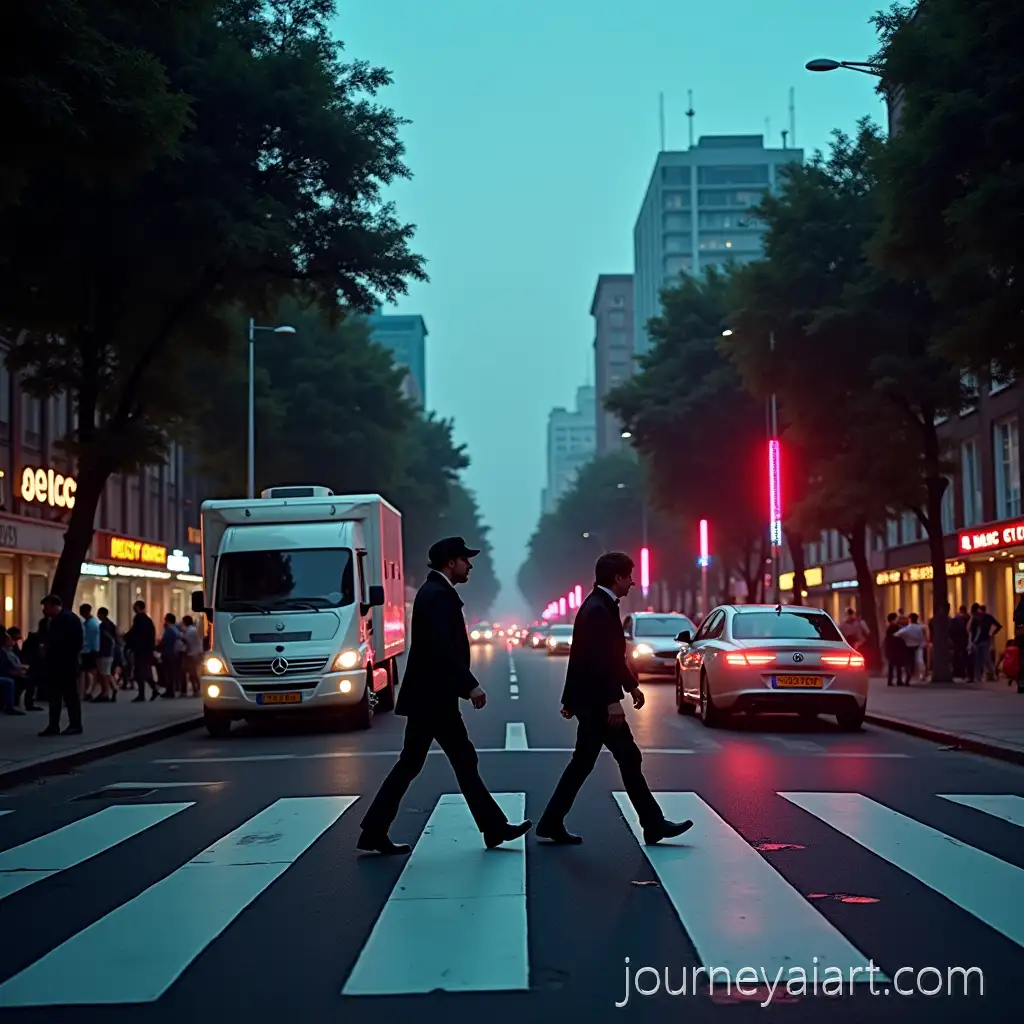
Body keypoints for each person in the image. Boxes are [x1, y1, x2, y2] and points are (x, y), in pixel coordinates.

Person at [356, 536, 532, 855]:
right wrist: (470, 685)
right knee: (451, 760)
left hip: (432, 697)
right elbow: (441, 649)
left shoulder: (435, 593)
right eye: (465, 559)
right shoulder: (436, 595)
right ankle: (492, 827)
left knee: (426, 762)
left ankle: (375, 830)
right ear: (451, 562)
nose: (470, 565)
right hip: (433, 698)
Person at [536, 551, 693, 845]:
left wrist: (631, 685)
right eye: (629, 576)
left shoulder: (601, 605)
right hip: (598, 704)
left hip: (591, 700)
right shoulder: (598, 609)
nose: (632, 583)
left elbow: (608, 656)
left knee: (584, 762)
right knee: (626, 757)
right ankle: (653, 823)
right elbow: (596, 661)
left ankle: (551, 821)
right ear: (618, 577)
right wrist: (612, 699)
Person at [38, 594, 85, 736]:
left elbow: (70, 642)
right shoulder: (54, 620)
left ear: (54, 606)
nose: (44, 610)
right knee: (54, 696)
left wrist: (48, 647)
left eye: (46, 607)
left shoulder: (68, 619)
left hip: (66, 664)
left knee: (70, 695)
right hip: (55, 664)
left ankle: (75, 724)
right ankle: (53, 725)